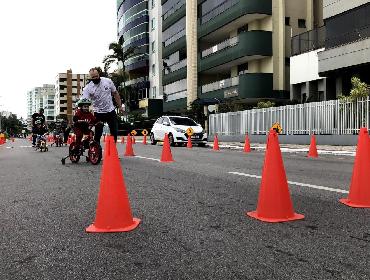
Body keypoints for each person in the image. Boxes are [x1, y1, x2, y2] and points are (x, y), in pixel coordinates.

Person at [80, 67, 124, 143]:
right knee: (98, 134)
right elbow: (85, 102)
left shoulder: (107, 81)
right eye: (93, 77)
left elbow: (115, 93)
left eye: (96, 76)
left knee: (114, 132)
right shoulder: (88, 88)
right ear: (90, 78)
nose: (95, 78)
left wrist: (120, 106)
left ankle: (112, 150)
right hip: (98, 112)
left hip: (110, 110)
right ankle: (97, 152)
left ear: (99, 74)